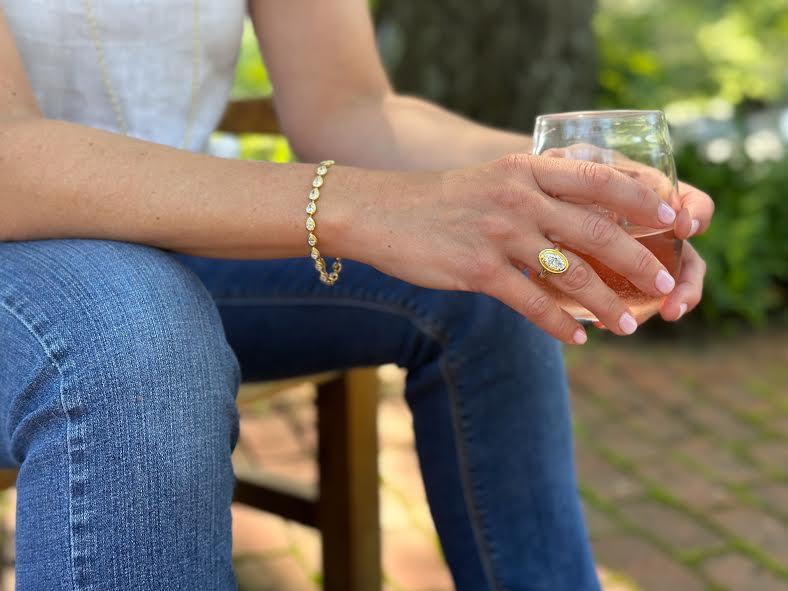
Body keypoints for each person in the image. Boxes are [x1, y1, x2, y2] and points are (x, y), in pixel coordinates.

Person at [0, 1, 713, 590]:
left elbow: (349, 107)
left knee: (499, 266)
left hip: (186, 236)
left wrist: (562, 188)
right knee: (136, 344)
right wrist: (352, 203)